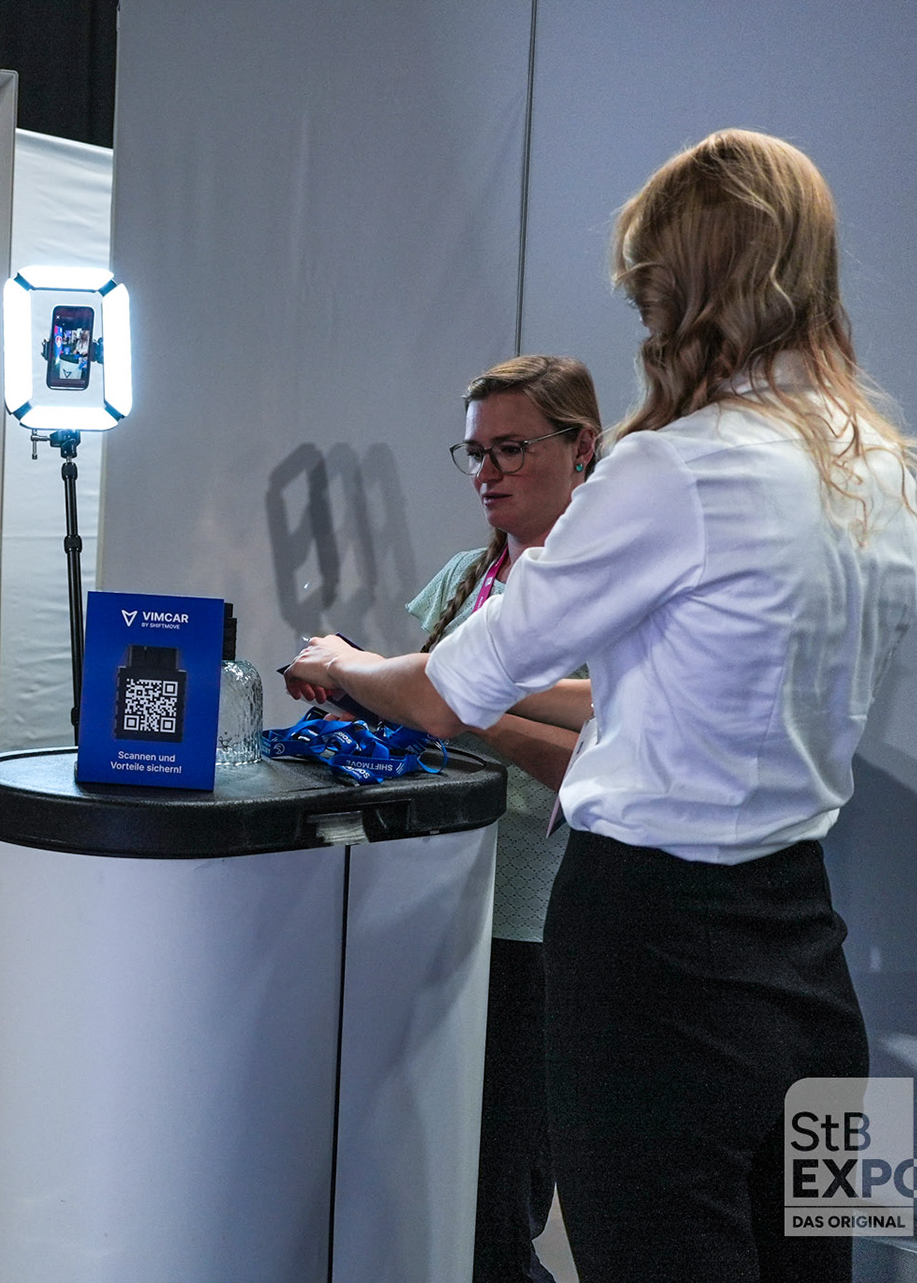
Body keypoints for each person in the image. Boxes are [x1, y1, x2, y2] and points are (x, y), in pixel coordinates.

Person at [286, 130, 917, 1282]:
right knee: (823, 1256)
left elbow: (441, 691)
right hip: (814, 961)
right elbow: (680, 684)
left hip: (648, 957)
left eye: (651, 291)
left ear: (690, 288)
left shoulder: (670, 468)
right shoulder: (880, 467)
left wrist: (345, 662)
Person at [408, 355, 598, 1283]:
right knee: (437, 1182)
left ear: (582, 447)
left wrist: (463, 706)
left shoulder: (606, 596)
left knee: (495, 1201)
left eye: (511, 449)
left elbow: (599, 767)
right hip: (444, 904)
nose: (487, 471)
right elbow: (424, 712)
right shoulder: (465, 579)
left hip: (538, 923)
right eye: (476, 452)